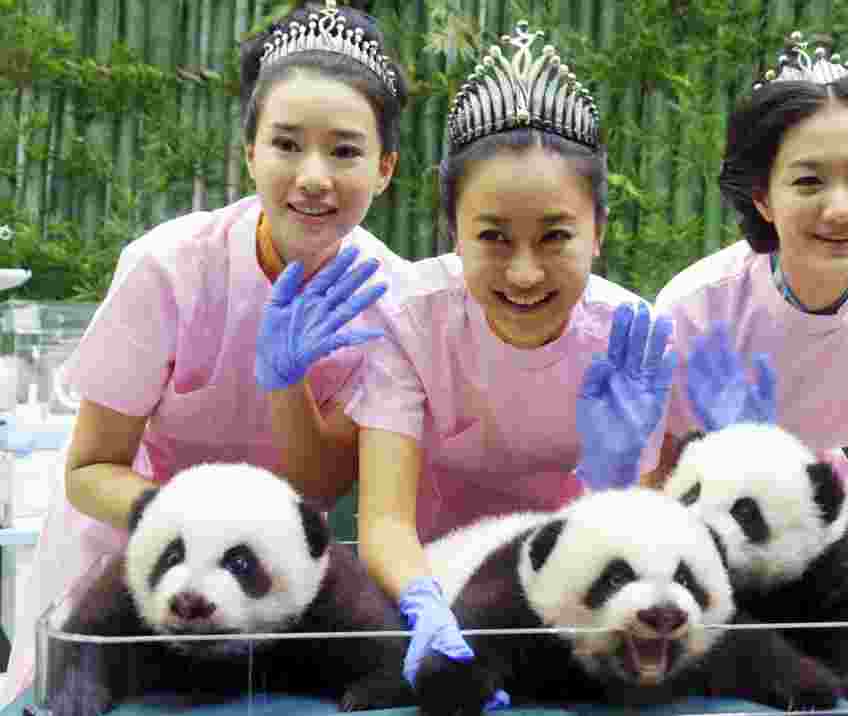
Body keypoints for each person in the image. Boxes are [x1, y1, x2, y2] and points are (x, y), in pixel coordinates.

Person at [2, 1, 409, 703]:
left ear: (385, 168)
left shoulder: (396, 303)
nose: (313, 176)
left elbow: (318, 489)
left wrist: (288, 385)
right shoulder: (167, 267)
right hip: (129, 560)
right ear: (249, 151)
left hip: (269, 582)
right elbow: (91, 469)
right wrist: (181, 522)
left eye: (345, 150)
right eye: (286, 144)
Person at [339, 20, 676, 706]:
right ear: (452, 232)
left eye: (555, 237)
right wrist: (425, 604)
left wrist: (620, 478)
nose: (524, 274)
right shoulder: (408, 321)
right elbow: (383, 520)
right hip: (426, 594)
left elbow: (643, 535)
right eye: (493, 238)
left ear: (599, 232)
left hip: (581, 607)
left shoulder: (632, 339)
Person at [652, 32, 848, 618]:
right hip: (699, 547)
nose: (841, 209)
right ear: (762, 196)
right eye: (809, 182)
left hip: (822, 531)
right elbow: (653, 488)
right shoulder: (695, 307)